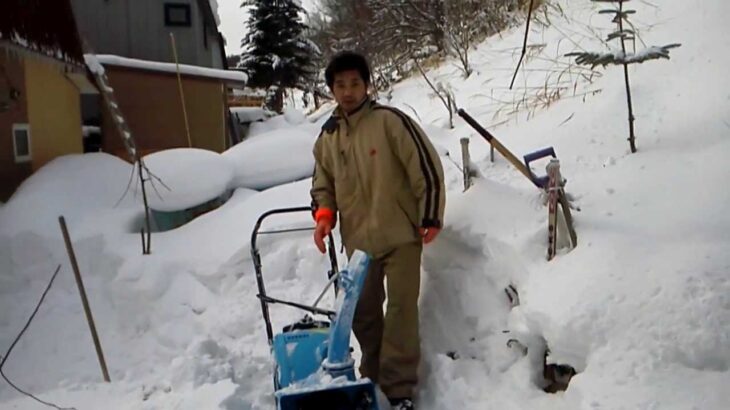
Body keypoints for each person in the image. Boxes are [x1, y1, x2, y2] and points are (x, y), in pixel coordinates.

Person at [310, 51, 446, 410]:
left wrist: (429, 215)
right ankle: (372, 377)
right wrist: (324, 216)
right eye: (340, 85)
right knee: (363, 312)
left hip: (401, 235)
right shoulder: (329, 136)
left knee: (401, 311)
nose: (349, 91)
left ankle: (399, 390)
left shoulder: (390, 121)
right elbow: (322, 182)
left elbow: (425, 167)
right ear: (332, 90)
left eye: (355, 83)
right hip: (359, 243)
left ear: (367, 85)